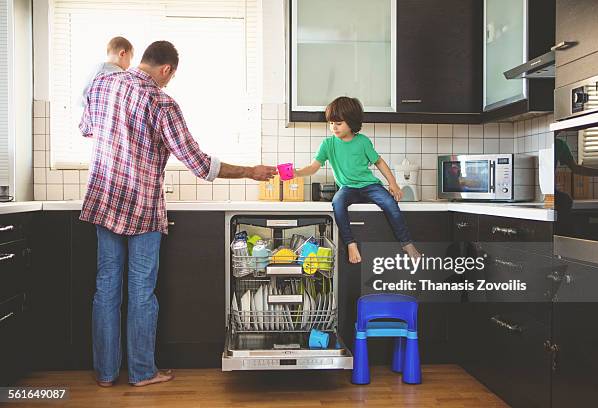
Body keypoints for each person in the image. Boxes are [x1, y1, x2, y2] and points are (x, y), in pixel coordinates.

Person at [79, 40, 276, 387]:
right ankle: (142, 373)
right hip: (141, 207)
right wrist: (250, 171)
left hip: (105, 198)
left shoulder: (102, 84)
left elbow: (86, 128)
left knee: (106, 287)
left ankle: (106, 374)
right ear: (167, 69)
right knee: (141, 291)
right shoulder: (161, 101)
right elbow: (199, 163)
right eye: (170, 77)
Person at [295, 96, 421, 264]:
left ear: (351, 122)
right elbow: (313, 167)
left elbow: (379, 162)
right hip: (347, 188)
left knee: (390, 203)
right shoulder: (327, 144)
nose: (334, 127)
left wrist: (393, 183)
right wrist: (296, 173)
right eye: (331, 123)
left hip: (370, 186)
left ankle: (407, 243)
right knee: (337, 203)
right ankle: (350, 243)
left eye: (338, 123)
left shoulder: (362, 141)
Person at [80, 36, 134, 107]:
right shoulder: (101, 69)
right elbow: (84, 96)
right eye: (130, 59)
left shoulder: (99, 69)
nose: (130, 64)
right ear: (122, 54)